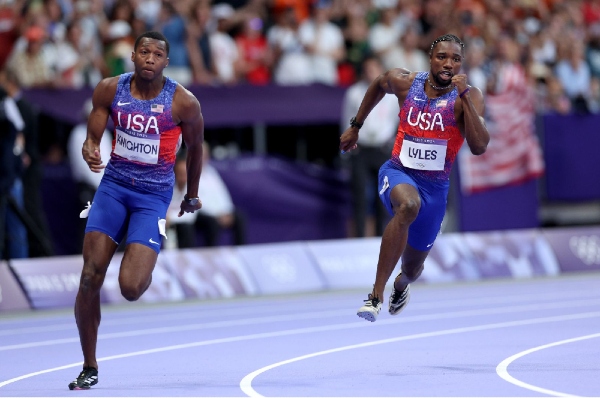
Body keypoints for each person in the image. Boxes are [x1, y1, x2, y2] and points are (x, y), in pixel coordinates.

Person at [68, 31, 204, 390]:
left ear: (166, 62)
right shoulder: (111, 89)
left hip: (153, 197)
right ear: (132, 55)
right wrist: (90, 145)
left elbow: (196, 148)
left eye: (157, 53)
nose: (149, 58)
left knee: (130, 288)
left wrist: (191, 193)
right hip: (113, 189)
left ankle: (146, 248)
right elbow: (94, 128)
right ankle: (89, 365)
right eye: (143, 51)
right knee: (88, 278)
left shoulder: (183, 103)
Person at [339, 34, 490, 322]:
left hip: (434, 190)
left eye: (455, 59)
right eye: (442, 57)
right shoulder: (406, 82)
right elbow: (378, 83)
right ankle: (375, 295)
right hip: (398, 171)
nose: (448, 64)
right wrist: (356, 126)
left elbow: (479, 146)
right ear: (430, 59)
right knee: (408, 206)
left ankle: (401, 285)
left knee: (412, 269)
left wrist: (465, 99)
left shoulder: (470, 96)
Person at [341, 55, 398, 237]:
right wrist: (346, 147)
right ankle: (359, 236)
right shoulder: (354, 93)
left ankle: (382, 236)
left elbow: (396, 120)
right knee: (359, 195)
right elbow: (346, 121)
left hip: (382, 149)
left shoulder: (392, 95)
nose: (370, 72)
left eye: (373, 68)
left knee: (384, 196)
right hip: (361, 149)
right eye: (367, 68)